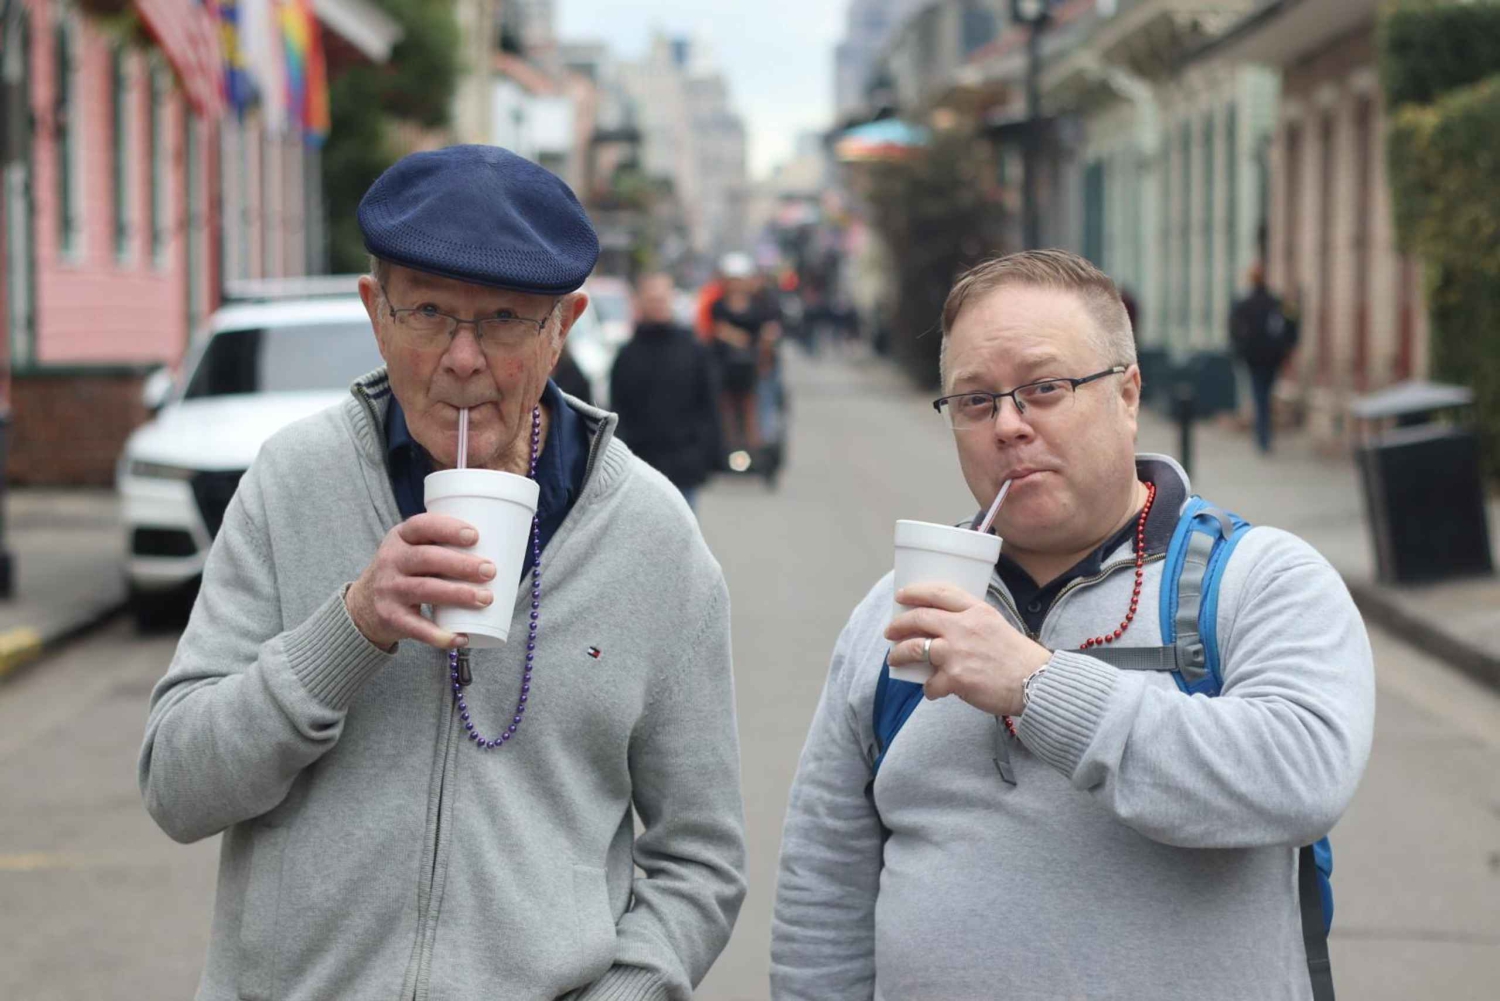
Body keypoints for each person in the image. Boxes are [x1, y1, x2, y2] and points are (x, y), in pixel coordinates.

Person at [139, 145, 747, 1001]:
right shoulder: (292, 481)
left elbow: (702, 860)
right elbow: (177, 788)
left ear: (562, 327)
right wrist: (350, 627)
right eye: (428, 311)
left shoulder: (651, 534)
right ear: (375, 312)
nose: (462, 358)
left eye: (503, 319)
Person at [771, 250, 1374, 1001]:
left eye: (1045, 389)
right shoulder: (897, 609)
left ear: (1127, 393)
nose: (1008, 425)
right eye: (975, 401)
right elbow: (824, 888)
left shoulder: (1259, 580)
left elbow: (1302, 776)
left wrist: (1036, 686)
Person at [609, 273, 721, 509]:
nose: (657, 304)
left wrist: (706, 455)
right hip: (639, 467)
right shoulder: (627, 355)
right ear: (640, 302)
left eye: (662, 298)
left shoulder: (693, 351)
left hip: (684, 464)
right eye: (652, 299)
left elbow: (708, 404)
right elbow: (618, 410)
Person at [711, 253, 776, 470]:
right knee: (727, 409)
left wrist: (761, 349)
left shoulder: (758, 306)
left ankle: (755, 454)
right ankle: (729, 451)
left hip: (751, 368)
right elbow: (718, 331)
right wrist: (737, 338)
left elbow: (766, 335)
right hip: (725, 367)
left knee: (751, 409)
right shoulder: (719, 306)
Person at [1230, 262, 1300, 453]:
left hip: (1254, 358)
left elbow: (1234, 330)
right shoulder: (1276, 303)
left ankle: (1263, 435)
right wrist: (1287, 349)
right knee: (1265, 394)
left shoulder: (1244, 305)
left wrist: (1240, 351)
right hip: (1272, 357)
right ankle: (1264, 435)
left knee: (1259, 394)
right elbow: (1292, 324)